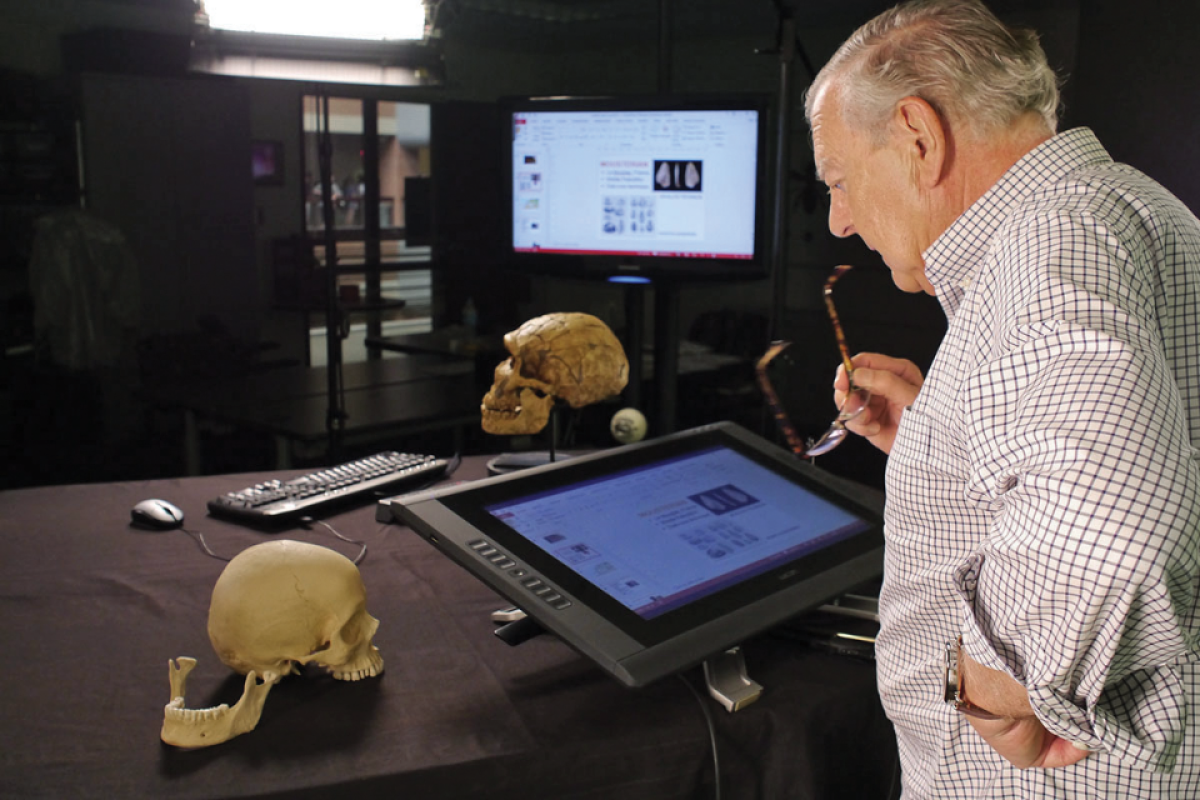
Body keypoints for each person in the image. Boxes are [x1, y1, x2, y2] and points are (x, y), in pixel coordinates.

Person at [804, 1, 1200, 797]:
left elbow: (1111, 523)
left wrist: (993, 686)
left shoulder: (1053, 238)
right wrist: (934, 435)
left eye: (841, 181)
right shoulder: (1134, 208)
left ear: (918, 135)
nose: (840, 222)